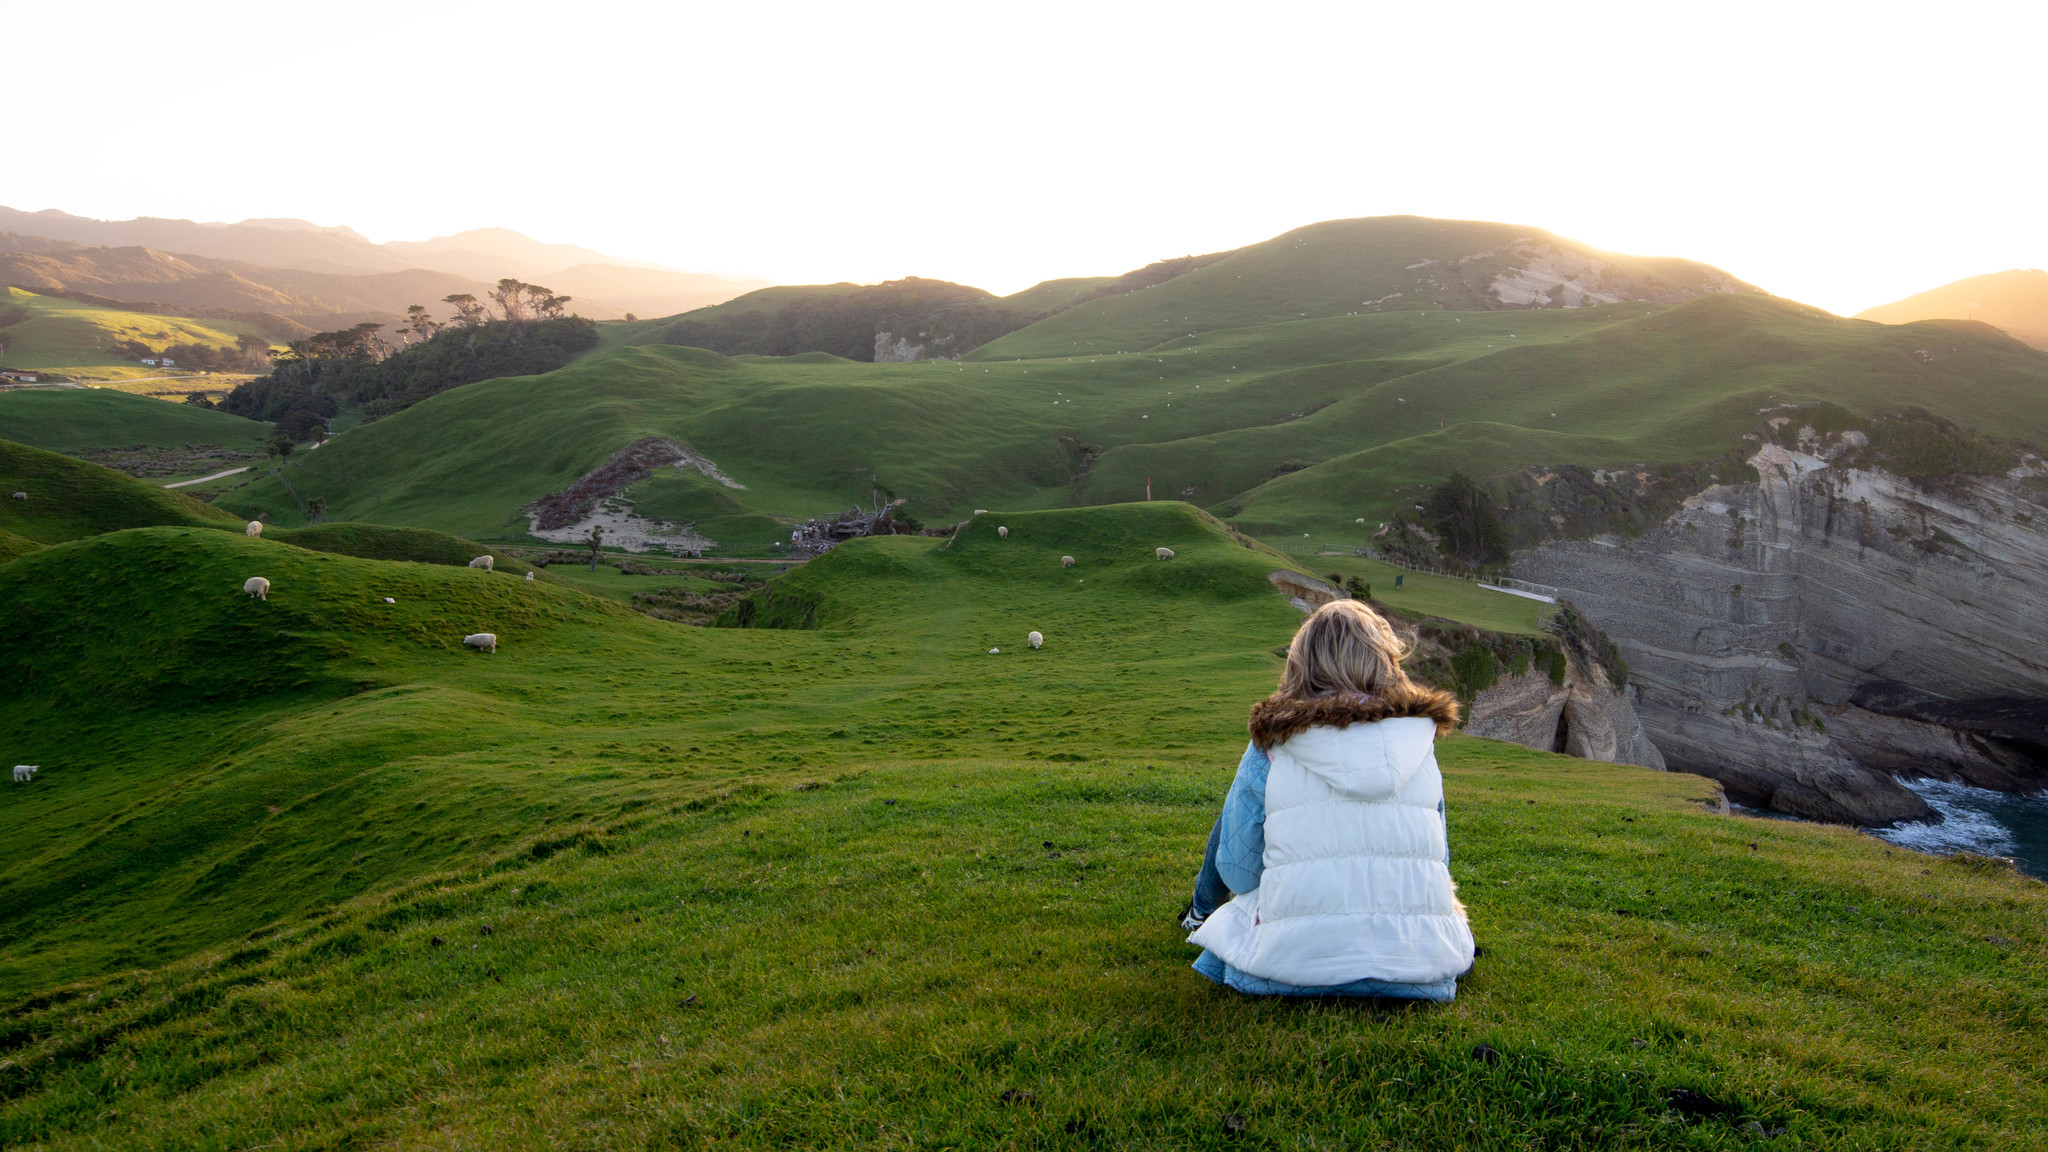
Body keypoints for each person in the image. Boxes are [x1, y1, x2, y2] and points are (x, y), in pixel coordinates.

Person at [1182, 599, 1475, 1000]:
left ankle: (1198, 913)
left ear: (1301, 663)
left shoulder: (1273, 745)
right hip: (1419, 967)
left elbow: (1239, 874)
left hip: (1285, 967)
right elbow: (1437, 863)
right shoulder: (1420, 743)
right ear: (1384, 659)